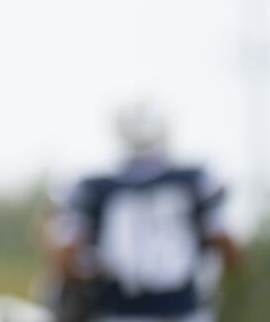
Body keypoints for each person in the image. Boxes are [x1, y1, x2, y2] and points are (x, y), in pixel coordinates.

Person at [46, 102, 241, 322]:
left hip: (120, 311)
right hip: (184, 310)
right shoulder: (196, 180)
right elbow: (229, 250)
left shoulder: (93, 187)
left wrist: (92, 272)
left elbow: (64, 258)